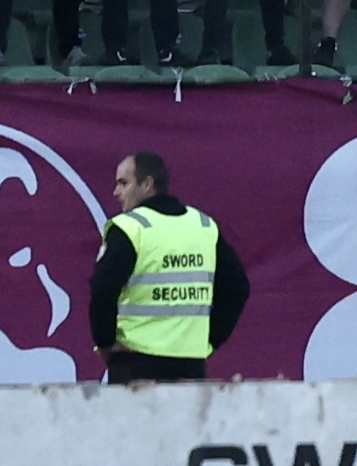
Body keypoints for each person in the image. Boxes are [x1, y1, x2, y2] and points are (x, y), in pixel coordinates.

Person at [88, 148, 246, 381]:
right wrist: (209, 341)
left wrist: (106, 343)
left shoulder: (130, 228)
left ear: (147, 184)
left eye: (123, 183)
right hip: (190, 364)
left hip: (136, 362)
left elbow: (102, 291)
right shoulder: (202, 226)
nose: (116, 192)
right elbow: (237, 287)